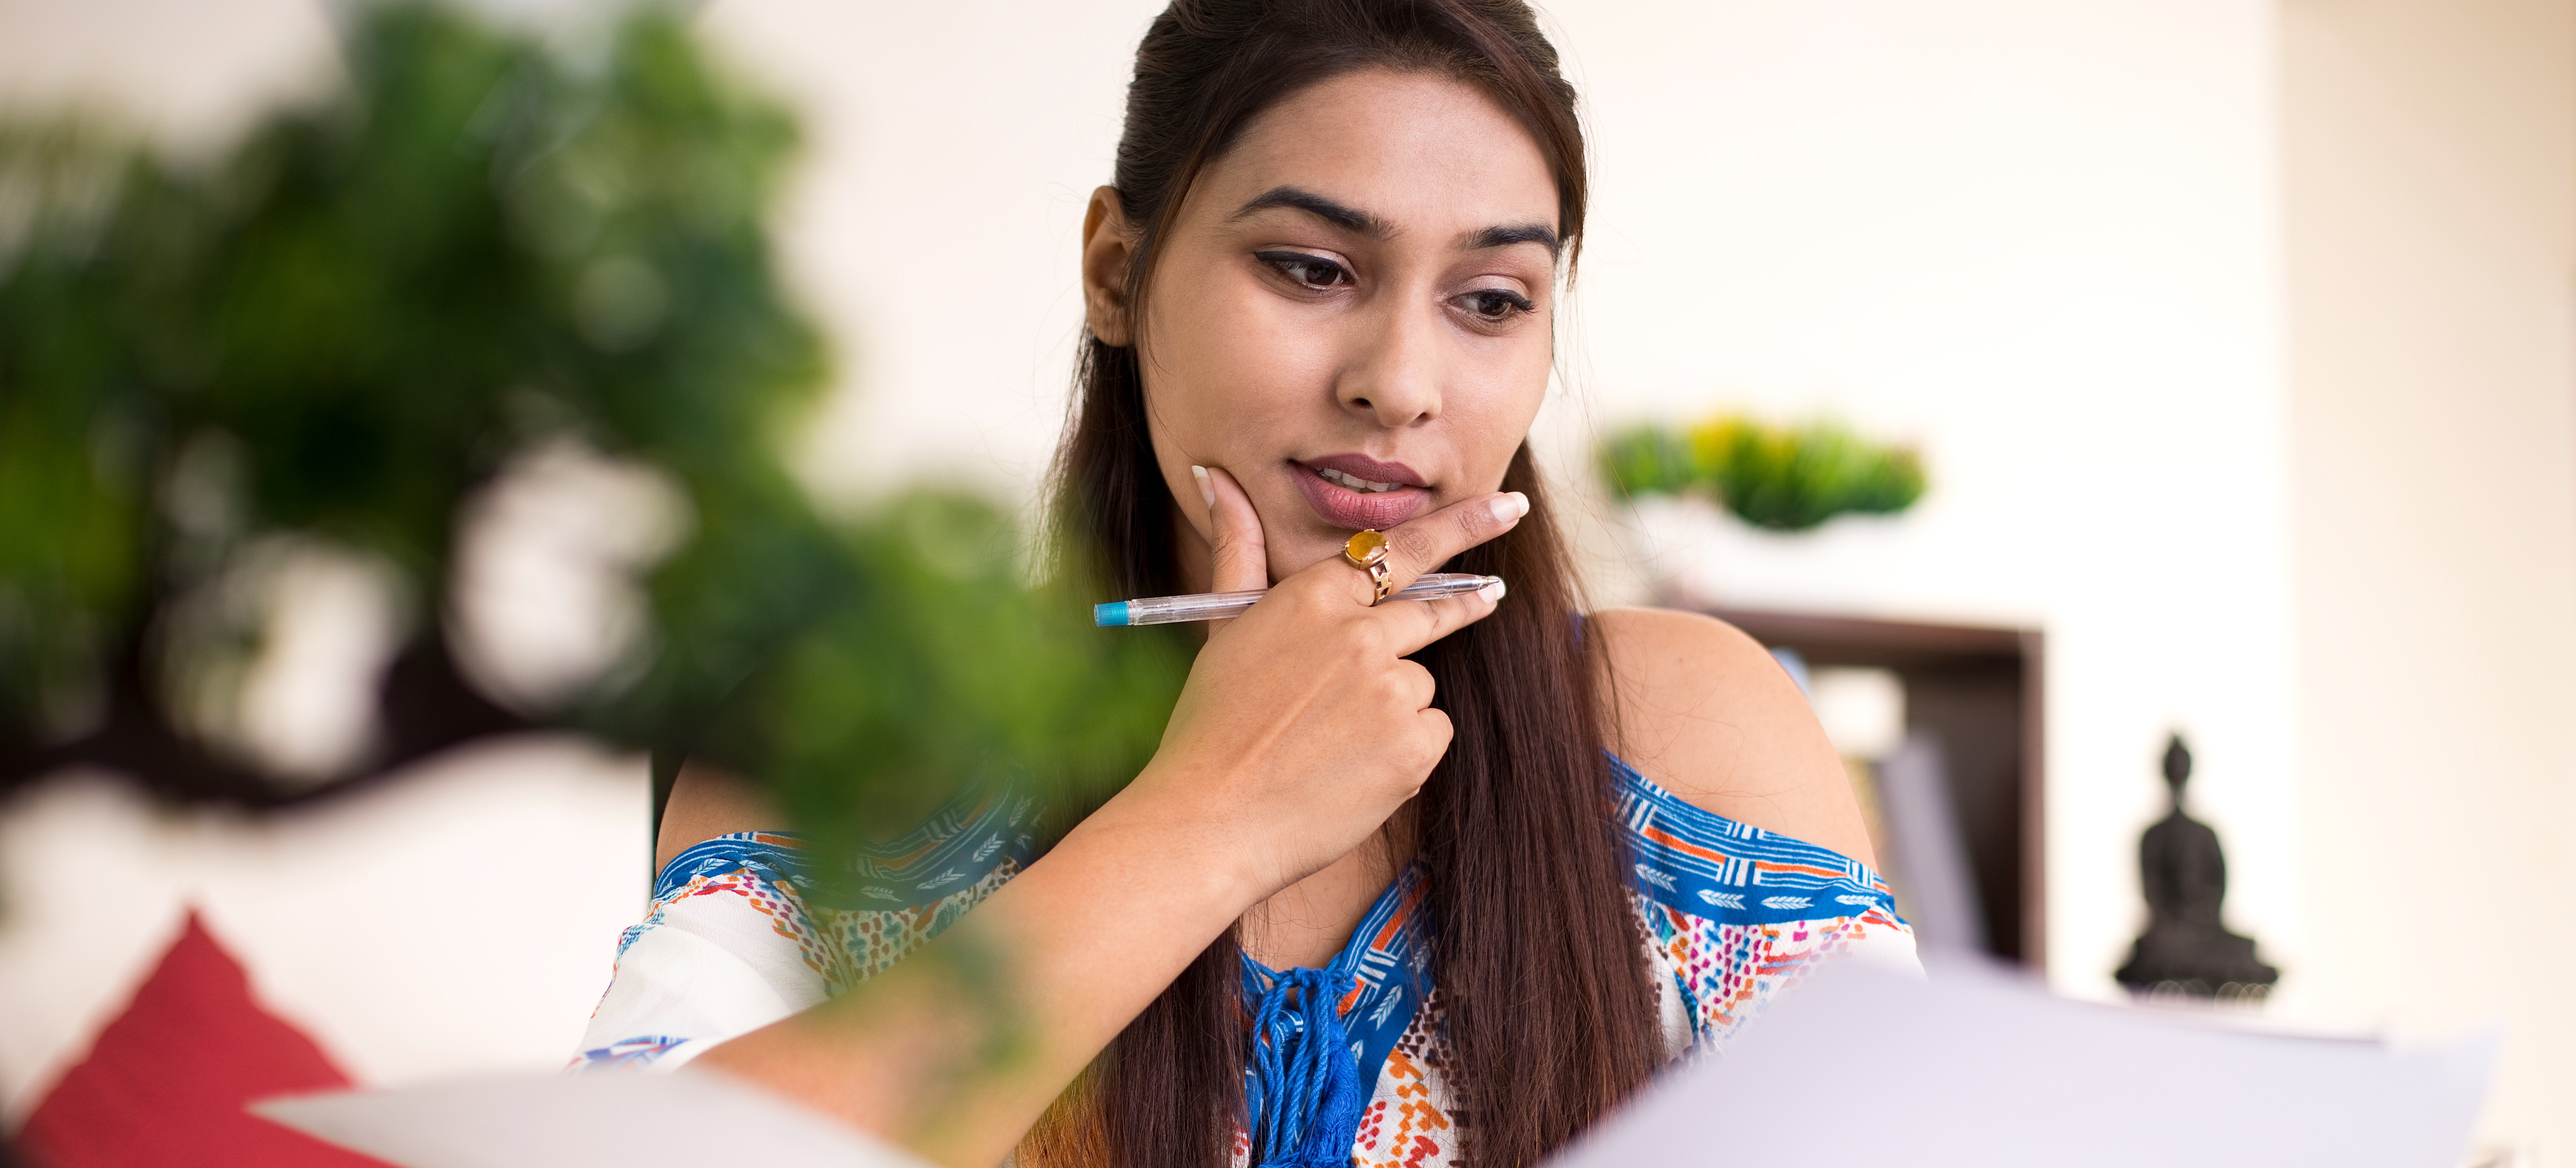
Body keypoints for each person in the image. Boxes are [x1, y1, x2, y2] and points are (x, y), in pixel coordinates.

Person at [574, 1, 1915, 1164]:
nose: (1397, 381)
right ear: (1118, 269)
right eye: (1311, 270)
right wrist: (1206, 820)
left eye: (1492, 299)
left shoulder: (1684, 731)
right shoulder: (853, 726)